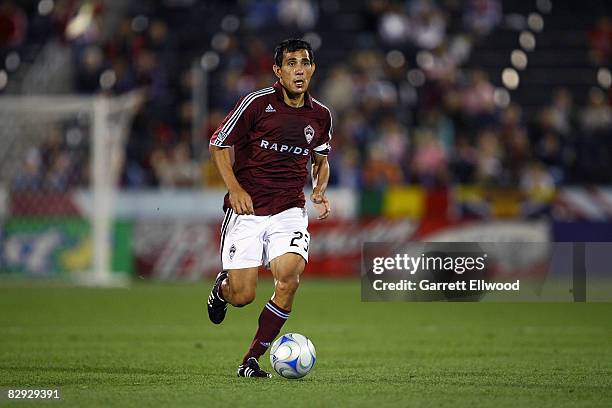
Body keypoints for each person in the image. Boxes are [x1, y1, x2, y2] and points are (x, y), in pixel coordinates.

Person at [207, 38, 332, 378]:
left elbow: (321, 159)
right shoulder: (256, 104)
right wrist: (234, 189)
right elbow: (218, 145)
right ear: (278, 71)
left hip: (289, 209)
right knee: (243, 295)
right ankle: (222, 289)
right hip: (247, 210)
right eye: (291, 63)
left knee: (288, 281)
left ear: (313, 69)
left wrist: (319, 187)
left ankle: (250, 360)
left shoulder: (320, 115)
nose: (299, 69)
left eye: (304, 62)